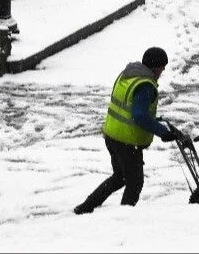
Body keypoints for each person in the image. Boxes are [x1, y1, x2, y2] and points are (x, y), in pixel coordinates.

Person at [73, 47, 180, 215]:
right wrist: (163, 132)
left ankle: (86, 207)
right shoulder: (145, 86)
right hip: (127, 142)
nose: (163, 71)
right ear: (155, 67)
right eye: (162, 67)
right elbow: (138, 115)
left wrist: (155, 122)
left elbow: (128, 107)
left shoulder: (129, 75)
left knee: (120, 177)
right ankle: (124, 218)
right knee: (135, 182)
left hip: (112, 135)